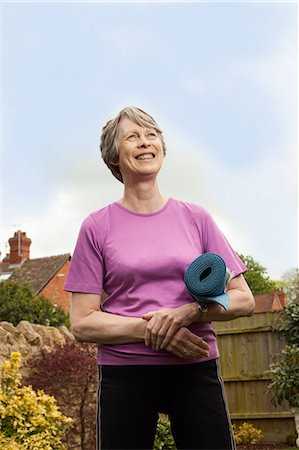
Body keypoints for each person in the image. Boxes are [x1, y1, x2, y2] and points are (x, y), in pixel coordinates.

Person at [64, 106, 255, 450]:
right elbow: (82, 322)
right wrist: (155, 330)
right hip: (125, 372)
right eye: (132, 136)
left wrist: (188, 313)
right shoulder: (96, 226)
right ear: (113, 157)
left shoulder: (196, 218)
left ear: (162, 150)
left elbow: (243, 298)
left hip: (194, 364)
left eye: (151, 135)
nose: (144, 142)